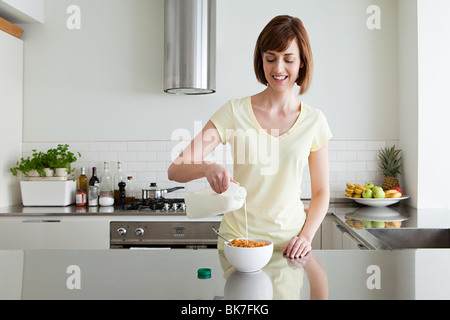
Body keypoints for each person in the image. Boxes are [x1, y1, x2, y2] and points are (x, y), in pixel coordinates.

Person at [168, 15, 332, 259]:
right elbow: (175, 170)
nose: (278, 68)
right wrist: (207, 166)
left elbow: (321, 192)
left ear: (302, 63)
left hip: (290, 248)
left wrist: (306, 237)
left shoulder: (314, 121)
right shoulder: (234, 112)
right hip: (238, 243)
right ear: (261, 60)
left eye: (288, 59)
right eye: (270, 58)